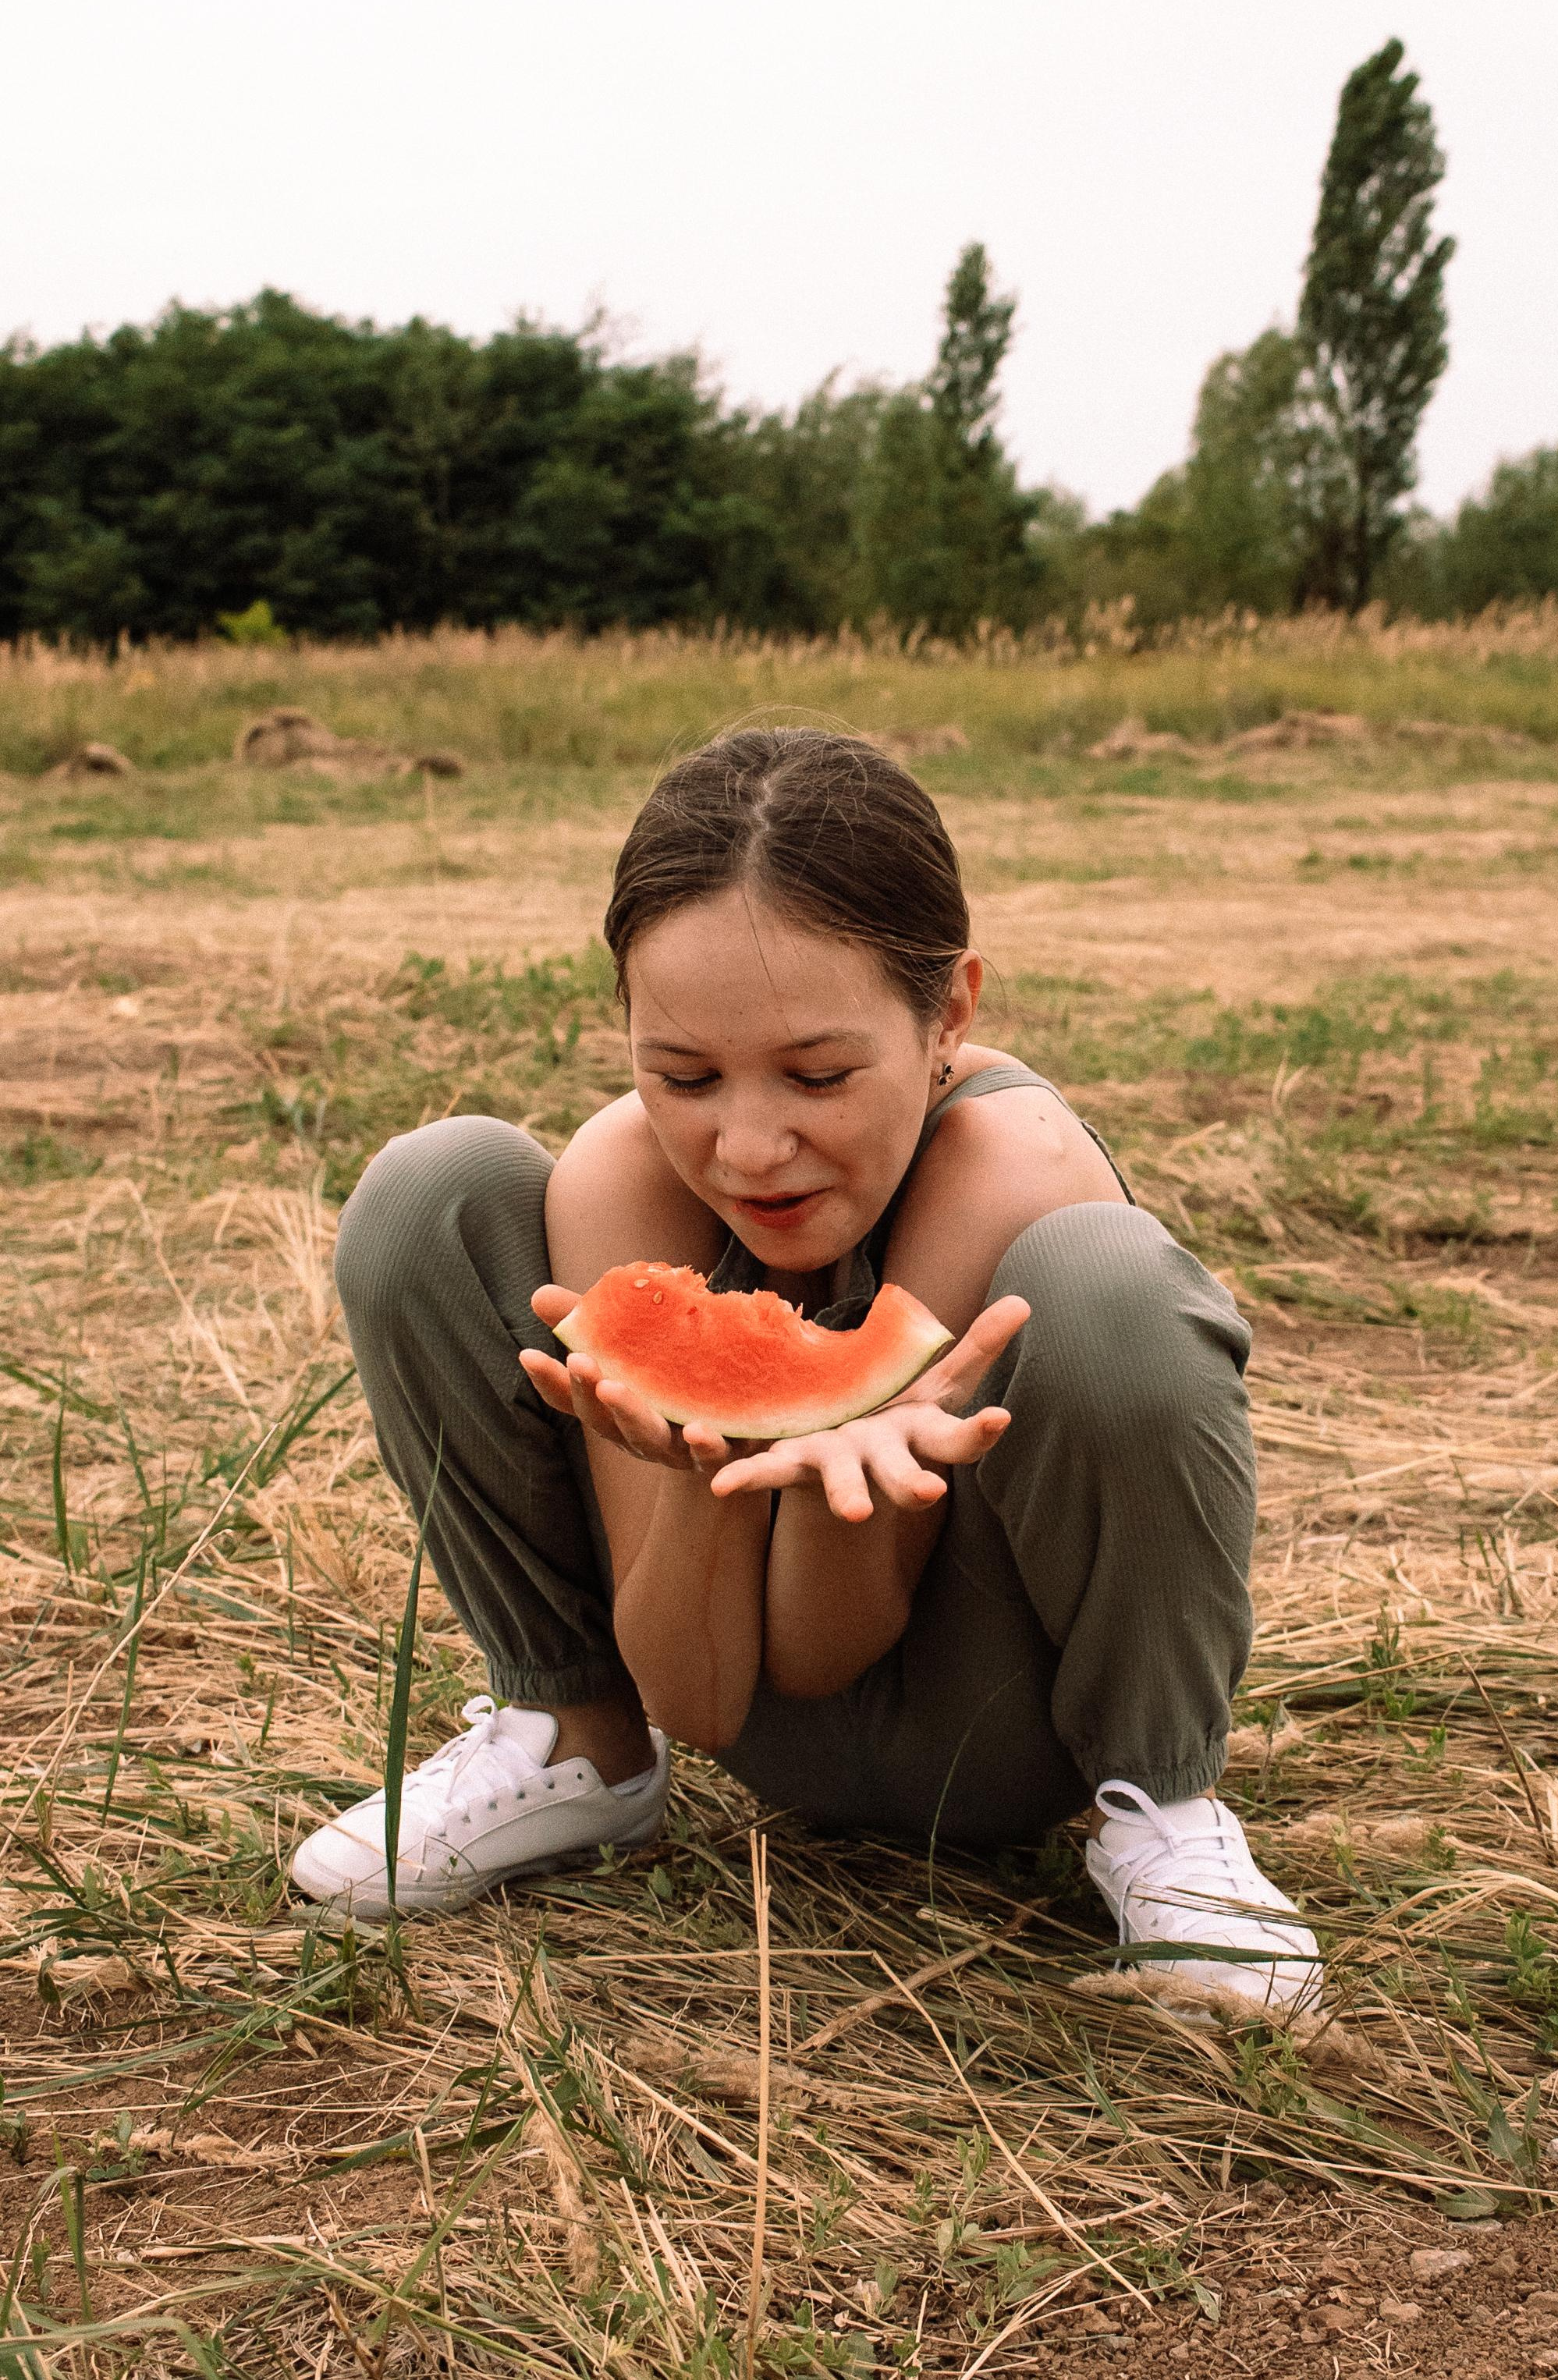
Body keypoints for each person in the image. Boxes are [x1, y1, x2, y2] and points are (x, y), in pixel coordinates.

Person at [292, 728, 1320, 2013]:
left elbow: (834, 1648)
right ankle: (573, 1742)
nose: (749, 1147)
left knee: (1108, 1281)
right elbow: (706, 1702)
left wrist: (844, 1478)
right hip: (735, 1706)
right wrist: (690, 1474)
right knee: (428, 1190)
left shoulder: (1006, 1164)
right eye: (683, 1074)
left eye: (818, 1075)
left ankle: (1160, 1813)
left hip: (993, 1729)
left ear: (948, 1011)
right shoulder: (626, 1176)